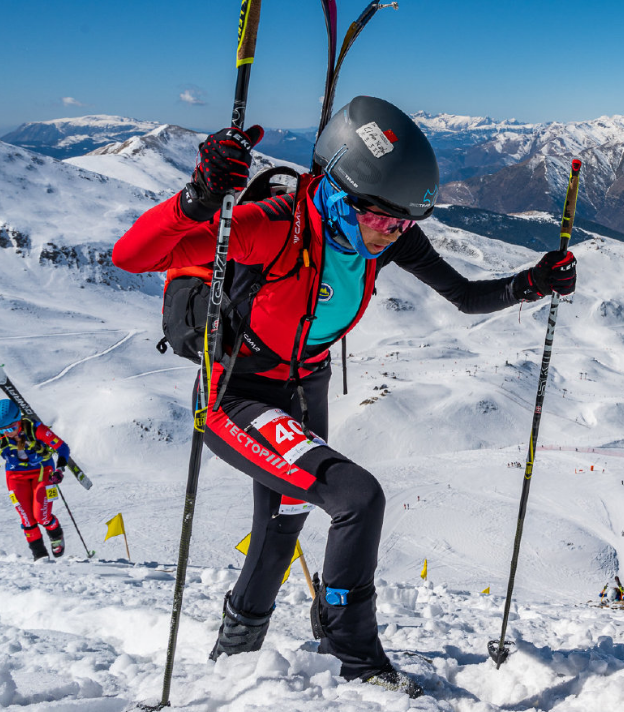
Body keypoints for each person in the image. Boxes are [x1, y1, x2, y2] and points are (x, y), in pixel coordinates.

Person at [112, 97, 577, 696]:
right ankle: (351, 652)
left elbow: (464, 296)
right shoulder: (273, 227)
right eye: (385, 218)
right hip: (238, 393)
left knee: (284, 523)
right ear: (339, 192)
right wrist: (196, 199)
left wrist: (531, 284)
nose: (396, 232)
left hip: (306, 385)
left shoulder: (384, 234)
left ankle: (236, 655)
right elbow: (133, 257)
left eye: (408, 221)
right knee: (358, 497)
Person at [0, 400, 71, 560]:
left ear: (19, 419)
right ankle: (40, 556)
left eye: (11, 428)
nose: (8, 433)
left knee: (41, 516)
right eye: (3, 430)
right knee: (27, 519)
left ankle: (56, 534)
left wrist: (59, 469)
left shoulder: (35, 429)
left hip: (43, 472)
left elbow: (63, 448)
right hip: (15, 475)